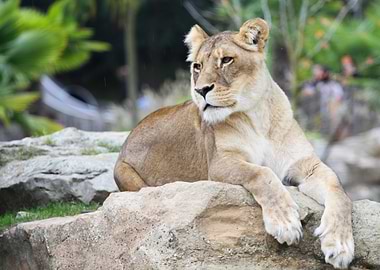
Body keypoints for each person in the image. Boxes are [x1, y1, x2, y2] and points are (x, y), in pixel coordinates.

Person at [301, 65, 344, 135]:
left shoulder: (334, 85)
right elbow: (307, 91)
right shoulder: (316, 84)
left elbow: (338, 97)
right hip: (317, 109)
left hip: (330, 109)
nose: (318, 75)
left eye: (320, 73)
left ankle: (333, 133)